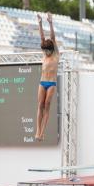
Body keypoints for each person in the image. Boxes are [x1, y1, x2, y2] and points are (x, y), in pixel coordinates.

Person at [35, 12, 59, 141]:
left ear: (51, 50)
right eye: (44, 50)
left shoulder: (55, 54)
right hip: (42, 81)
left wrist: (50, 23)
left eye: (47, 50)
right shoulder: (45, 53)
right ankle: (38, 130)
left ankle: (43, 131)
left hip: (51, 83)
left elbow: (52, 38)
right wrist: (40, 23)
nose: (45, 52)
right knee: (40, 105)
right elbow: (42, 38)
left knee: (47, 105)